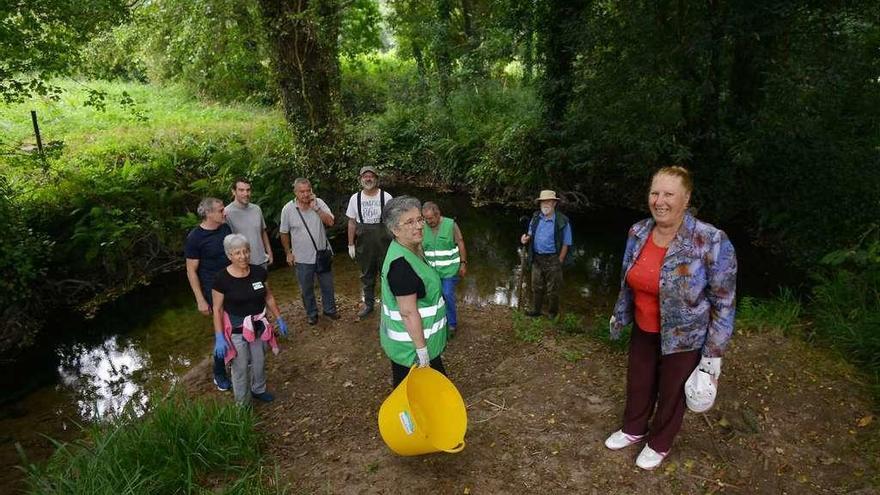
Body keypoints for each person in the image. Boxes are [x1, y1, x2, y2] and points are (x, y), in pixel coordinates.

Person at [604, 166, 737, 470]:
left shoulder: (710, 240)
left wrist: (713, 355)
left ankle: (659, 443)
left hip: (685, 336)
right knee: (638, 383)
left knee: (672, 392)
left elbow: (724, 303)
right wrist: (620, 315)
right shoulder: (637, 232)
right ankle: (633, 429)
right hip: (644, 327)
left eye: (668, 194)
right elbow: (627, 280)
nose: (659, 201)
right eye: (654, 193)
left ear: (686, 198)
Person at [379, 196, 449, 387]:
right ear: (395, 230)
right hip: (411, 348)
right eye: (409, 222)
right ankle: (405, 416)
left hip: (414, 344)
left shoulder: (411, 248)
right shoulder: (401, 266)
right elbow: (408, 312)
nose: (418, 226)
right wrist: (421, 350)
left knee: (426, 386)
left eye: (419, 219)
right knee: (411, 390)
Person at [211, 234, 287, 405]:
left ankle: (258, 389)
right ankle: (242, 403)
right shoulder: (221, 279)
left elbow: (268, 297)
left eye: (245, 251)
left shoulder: (259, 272)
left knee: (259, 362)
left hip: (258, 326)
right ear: (229, 255)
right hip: (237, 331)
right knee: (240, 368)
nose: (243, 256)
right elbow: (217, 309)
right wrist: (219, 336)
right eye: (237, 253)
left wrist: (279, 318)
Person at [184, 197, 233, 391]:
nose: (225, 213)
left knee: (238, 323)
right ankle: (219, 373)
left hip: (233, 284)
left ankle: (239, 359)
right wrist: (200, 300)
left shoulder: (225, 229)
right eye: (221, 210)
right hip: (213, 291)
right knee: (220, 332)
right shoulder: (195, 238)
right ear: (209, 214)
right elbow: (191, 271)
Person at [279, 178, 338, 325]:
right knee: (306, 288)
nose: (305, 194)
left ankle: (330, 310)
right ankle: (312, 314)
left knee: (327, 285)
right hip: (302, 257)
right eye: (302, 191)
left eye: (308, 191)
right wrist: (288, 252)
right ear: (295, 192)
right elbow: (284, 232)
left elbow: (330, 222)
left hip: (322, 252)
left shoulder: (319, 203)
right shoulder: (288, 209)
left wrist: (316, 208)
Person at [346, 166, 393, 320]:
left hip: (384, 243)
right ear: (360, 180)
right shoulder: (355, 198)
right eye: (365, 176)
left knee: (387, 274)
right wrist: (350, 244)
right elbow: (352, 223)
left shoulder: (386, 197)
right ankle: (369, 305)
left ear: (376, 179)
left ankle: (390, 305)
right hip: (364, 245)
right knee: (367, 276)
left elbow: (393, 221)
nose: (368, 179)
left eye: (371, 176)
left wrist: (398, 242)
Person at [520, 190, 572, 319]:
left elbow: (566, 243)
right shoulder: (536, 218)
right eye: (543, 202)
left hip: (553, 258)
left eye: (549, 201)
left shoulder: (562, 221)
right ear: (540, 203)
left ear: (554, 203)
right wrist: (524, 239)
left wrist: (560, 260)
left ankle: (552, 314)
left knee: (553, 289)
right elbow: (529, 235)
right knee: (536, 286)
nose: (545, 204)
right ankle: (536, 310)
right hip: (537, 257)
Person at [421, 202, 467, 337]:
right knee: (433, 296)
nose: (428, 221)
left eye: (431, 218)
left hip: (449, 270)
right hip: (431, 272)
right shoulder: (422, 227)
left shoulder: (450, 225)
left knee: (447, 294)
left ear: (438, 214)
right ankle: (437, 323)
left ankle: (452, 324)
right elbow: (419, 247)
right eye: (425, 218)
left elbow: (461, 243)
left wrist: (463, 263)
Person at [224, 178, 273, 269]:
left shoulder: (256, 209)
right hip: (241, 263)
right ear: (233, 192)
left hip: (261, 260)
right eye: (241, 190)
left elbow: (262, 232)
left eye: (248, 190)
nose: (246, 194)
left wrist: (269, 252)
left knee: (264, 283)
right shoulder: (226, 213)